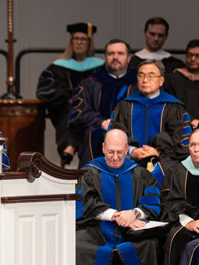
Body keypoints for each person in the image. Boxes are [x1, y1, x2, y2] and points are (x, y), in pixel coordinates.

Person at [76, 129, 161, 265]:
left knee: (150, 244)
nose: (115, 157)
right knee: (79, 245)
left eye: (120, 152)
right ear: (103, 148)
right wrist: (118, 216)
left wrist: (135, 213)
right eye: (110, 152)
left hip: (132, 232)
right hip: (96, 229)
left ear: (127, 149)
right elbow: (87, 202)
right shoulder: (89, 172)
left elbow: (153, 201)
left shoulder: (140, 173)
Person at [110, 60, 192, 185]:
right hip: (129, 159)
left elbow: (182, 145)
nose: (145, 80)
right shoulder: (125, 105)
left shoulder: (174, 107)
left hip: (165, 162)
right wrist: (132, 151)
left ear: (161, 80)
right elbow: (115, 136)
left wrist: (158, 152)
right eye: (141, 75)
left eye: (151, 75)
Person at [36, 22, 104, 166]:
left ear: (89, 43)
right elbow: (43, 91)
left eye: (83, 39)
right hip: (67, 110)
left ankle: (70, 147)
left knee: (86, 115)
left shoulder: (100, 67)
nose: (79, 42)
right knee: (73, 112)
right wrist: (67, 97)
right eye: (76, 38)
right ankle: (72, 146)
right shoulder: (57, 67)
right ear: (71, 41)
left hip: (94, 111)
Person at [68, 39, 138, 168]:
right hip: (96, 135)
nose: (115, 57)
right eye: (111, 54)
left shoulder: (138, 84)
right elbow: (78, 113)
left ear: (128, 58)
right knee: (92, 135)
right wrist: (102, 122)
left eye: (120, 53)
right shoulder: (89, 84)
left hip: (131, 135)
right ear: (105, 57)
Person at [162, 128, 199, 265]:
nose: (196, 150)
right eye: (192, 145)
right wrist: (189, 222)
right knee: (174, 238)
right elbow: (170, 203)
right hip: (185, 222)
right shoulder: (177, 171)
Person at [164, 39, 199, 128]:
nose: (192, 59)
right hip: (180, 129)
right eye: (189, 55)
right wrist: (191, 120)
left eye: (197, 56)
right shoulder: (173, 79)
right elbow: (170, 105)